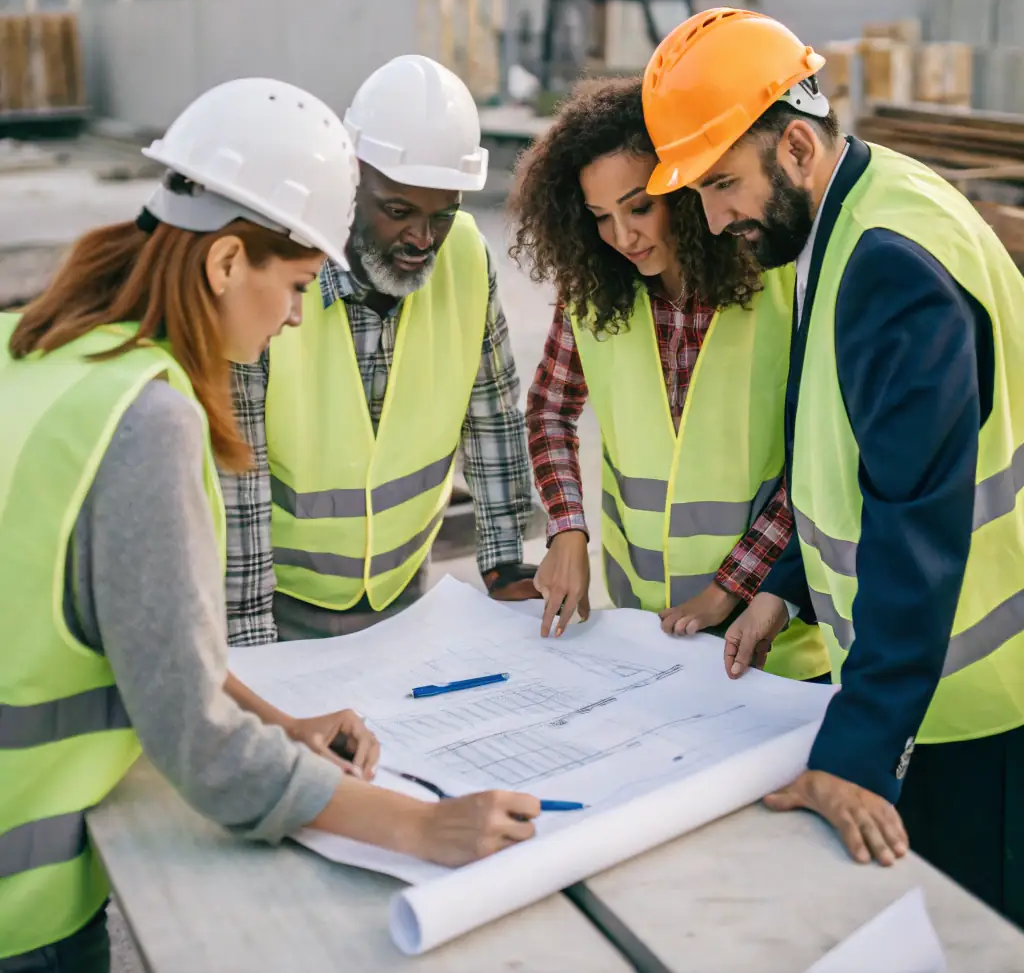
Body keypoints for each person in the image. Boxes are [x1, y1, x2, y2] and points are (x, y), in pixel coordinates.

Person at [0, 78, 540, 972]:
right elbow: (200, 749)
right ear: (223, 266)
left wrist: (277, 720)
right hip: (24, 905)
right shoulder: (147, 421)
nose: (297, 315)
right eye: (292, 284)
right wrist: (423, 824)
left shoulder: (40, 346)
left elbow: (146, 642)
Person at [641, 6, 1024, 925]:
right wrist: (784, 585)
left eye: (724, 182)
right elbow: (840, 455)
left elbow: (913, 531)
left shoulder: (888, 265)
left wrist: (851, 757)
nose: (714, 214)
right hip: (939, 693)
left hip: (977, 710)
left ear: (799, 147)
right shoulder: (855, 218)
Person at [508, 77, 829, 682]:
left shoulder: (783, 283)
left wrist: (731, 587)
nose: (622, 237)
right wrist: (566, 529)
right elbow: (550, 409)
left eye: (638, 207)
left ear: (684, 189)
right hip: (646, 638)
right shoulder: (590, 293)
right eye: (600, 217)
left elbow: (815, 463)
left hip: (773, 648)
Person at [224, 54, 540, 646]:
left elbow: (493, 416)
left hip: (404, 596)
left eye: (442, 215)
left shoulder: (467, 258)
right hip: (277, 603)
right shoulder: (278, 274)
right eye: (398, 211)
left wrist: (504, 559)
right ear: (349, 179)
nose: (423, 239)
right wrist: (249, 640)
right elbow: (237, 476)